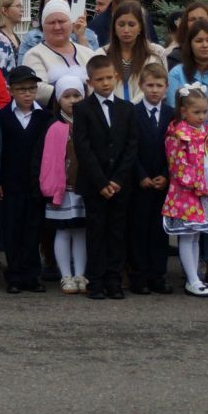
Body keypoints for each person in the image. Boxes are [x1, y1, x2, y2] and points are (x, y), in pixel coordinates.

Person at [71, 55, 138, 301]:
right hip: (94, 184)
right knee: (96, 232)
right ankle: (96, 281)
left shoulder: (127, 108)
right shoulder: (82, 109)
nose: (106, 83)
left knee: (117, 232)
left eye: (109, 78)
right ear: (90, 82)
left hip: (120, 184)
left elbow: (132, 146)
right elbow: (83, 148)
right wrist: (101, 182)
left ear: (117, 78)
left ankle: (114, 279)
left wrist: (117, 180)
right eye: (100, 79)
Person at [162, 83, 208, 298]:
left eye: (205, 111)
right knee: (187, 236)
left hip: (205, 194)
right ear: (183, 111)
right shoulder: (177, 134)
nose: (202, 116)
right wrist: (200, 187)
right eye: (197, 112)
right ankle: (192, 278)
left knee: (197, 235)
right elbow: (178, 167)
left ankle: (194, 277)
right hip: (186, 195)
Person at [0, 65, 48, 295]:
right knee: (12, 230)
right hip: (11, 183)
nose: (27, 94)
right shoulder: (2, 117)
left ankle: (32, 275)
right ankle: (14, 275)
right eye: (22, 89)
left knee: (33, 229)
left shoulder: (45, 117)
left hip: (36, 183)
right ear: (11, 90)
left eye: (32, 89)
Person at [38, 71, 90, 294]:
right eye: (67, 96)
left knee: (80, 231)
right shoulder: (54, 126)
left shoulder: (88, 124)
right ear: (59, 99)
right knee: (63, 230)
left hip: (83, 187)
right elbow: (48, 160)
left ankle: (80, 274)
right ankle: (65, 275)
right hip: (62, 188)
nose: (72, 101)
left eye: (76, 96)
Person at [127, 61, 173, 295]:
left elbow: (175, 151)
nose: (154, 90)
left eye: (159, 85)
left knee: (159, 231)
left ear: (166, 87)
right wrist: (141, 175)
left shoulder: (171, 115)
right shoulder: (131, 113)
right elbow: (129, 149)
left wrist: (166, 175)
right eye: (150, 85)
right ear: (141, 86)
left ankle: (158, 275)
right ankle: (139, 276)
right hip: (140, 182)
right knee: (138, 229)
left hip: (163, 182)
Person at [22, 0, 90, 103]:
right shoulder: (33, 55)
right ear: (43, 26)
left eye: (62, 21)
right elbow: (37, 88)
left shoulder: (88, 53)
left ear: (71, 23)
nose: (57, 27)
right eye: (51, 23)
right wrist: (75, 95)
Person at [167, 17, 208, 114]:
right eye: (199, 41)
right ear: (190, 44)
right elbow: (173, 110)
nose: (205, 45)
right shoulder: (177, 74)